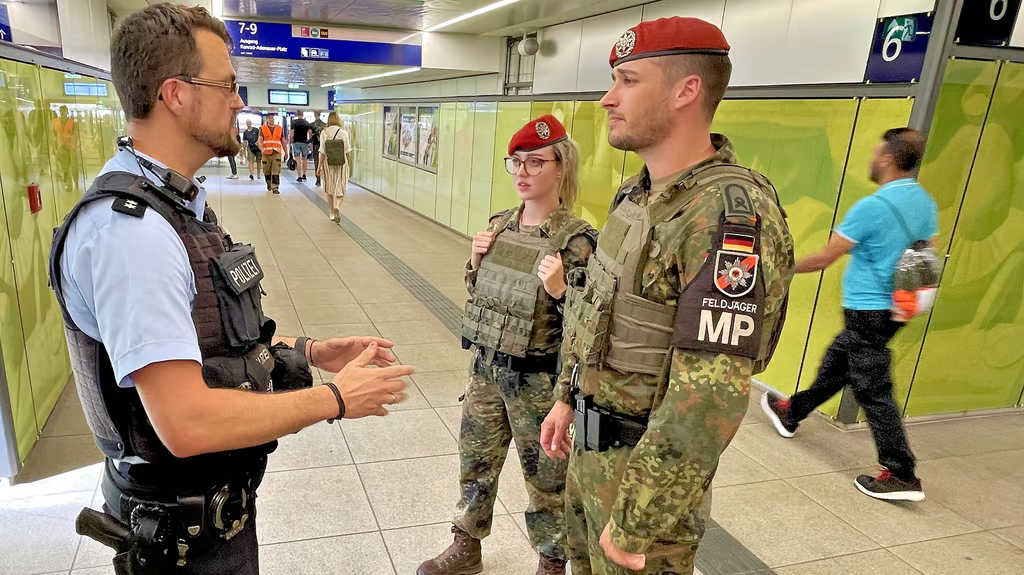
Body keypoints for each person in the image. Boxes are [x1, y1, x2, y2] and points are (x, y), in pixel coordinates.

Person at [47, 5, 413, 574]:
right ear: (176, 94)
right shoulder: (133, 236)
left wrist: (310, 351)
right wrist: (336, 401)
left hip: (211, 525)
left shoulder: (177, 207)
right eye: (227, 85)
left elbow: (211, 336)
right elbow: (186, 422)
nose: (239, 101)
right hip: (181, 544)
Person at [540, 18, 795, 574]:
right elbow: (596, 310)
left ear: (686, 90)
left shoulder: (727, 216)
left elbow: (707, 398)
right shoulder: (639, 193)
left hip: (644, 480)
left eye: (628, 80)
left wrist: (638, 520)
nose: (608, 98)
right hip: (589, 452)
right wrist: (567, 395)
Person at [417, 116, 597, 575]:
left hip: (538, 377)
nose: (523, 172)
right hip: (486, 369)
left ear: (561, 167)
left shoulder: (576, 242)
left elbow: (591, 324)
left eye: (535, 162)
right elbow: (480, 294)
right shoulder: (498, 226)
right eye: (515, 162)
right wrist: (475, 261)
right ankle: (466, 543)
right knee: (475, 460)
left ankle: (553, 560)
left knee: (546, 477)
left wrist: (561, 291)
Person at [761, 128, 936, 502]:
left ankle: (902, 474)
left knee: (873, 389)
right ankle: (792, 411)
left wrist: (780, 268)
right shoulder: (924, 203)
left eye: (877, 152)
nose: (873, 158)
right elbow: (927, 252)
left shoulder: (872, 207)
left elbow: (825, 257)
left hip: (867, 309)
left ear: (888, 158)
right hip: (896, 309)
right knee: (837, 365)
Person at [316, 112, 351, 222]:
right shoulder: (344, 133)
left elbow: (322, 152)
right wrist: (348, 164)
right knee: (341, 187)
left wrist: (319, 166)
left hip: (328, 163)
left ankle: (331, 212)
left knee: (329, 188)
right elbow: (348, 151)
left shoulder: (324, 133)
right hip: (341, 163)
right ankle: (337, 207)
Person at [54, 104, 79, 191]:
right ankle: (68, 185)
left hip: (71, 147)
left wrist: (70, 137)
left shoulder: (72, 122)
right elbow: (53, 134)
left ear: (67, 112)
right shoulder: (55, 122)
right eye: (61, 111)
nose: (63, 113)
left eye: (64, 111)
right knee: (65, 167)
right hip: (61, 146)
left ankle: (76, 182)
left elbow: (76, 134)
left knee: (73, 166)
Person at [258, 112, 285, 193]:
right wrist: (262, 149)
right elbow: (260, 140)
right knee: (267, 170)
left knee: (276, 171)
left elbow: (283, 141)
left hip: (276, 152)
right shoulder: (263, 128)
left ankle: (275, 187)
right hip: (266, 153)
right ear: (266, 119)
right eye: (269, 118)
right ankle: (269, 183)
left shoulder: (279, 129)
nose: (271, 119)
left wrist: (286, 152)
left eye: (272, 118)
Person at [290, 110, 312, 182]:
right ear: (303, 114)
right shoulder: (306, 123)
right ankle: (304, 174)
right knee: (304, 159)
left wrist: (290, 141)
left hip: (296, 142)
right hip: (304, 142)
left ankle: (299, 176)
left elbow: (292, 133)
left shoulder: (294, 122)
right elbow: (310, 132)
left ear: (297, 114)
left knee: (298, 160)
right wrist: (309, 140)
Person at [310, 110, 326, 186]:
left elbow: (310, 134)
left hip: (316, 145)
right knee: (324, 162)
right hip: (323, 145)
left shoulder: (312, 125)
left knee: (317, 162)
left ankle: (318, 180)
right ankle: (325, 179)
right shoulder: (324, 125)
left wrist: (309, 141)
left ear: (314, 115)